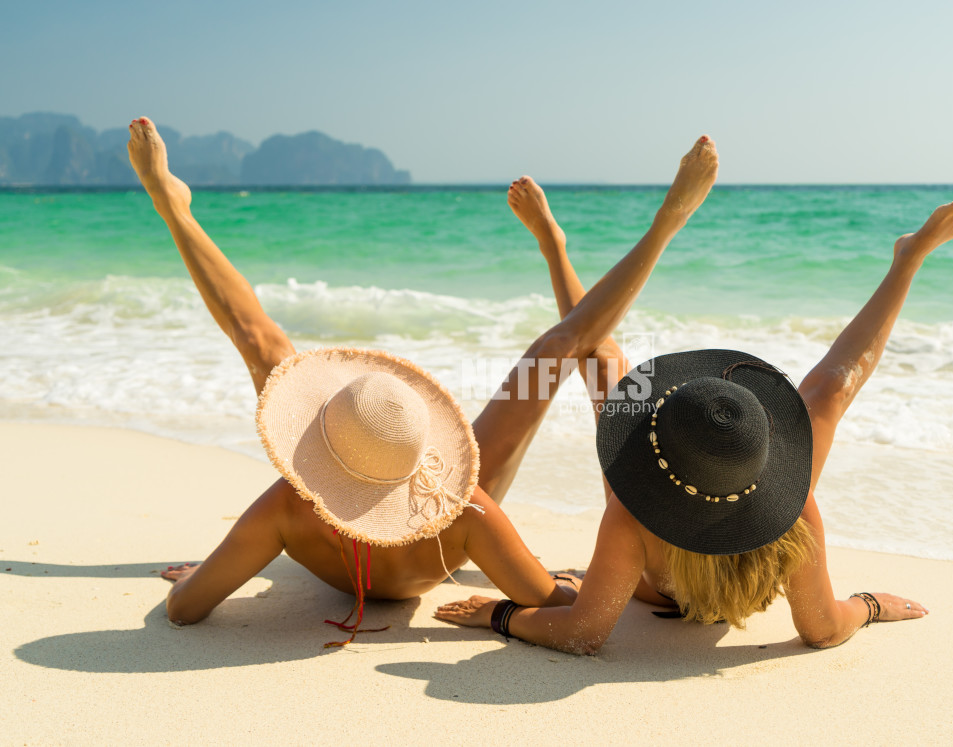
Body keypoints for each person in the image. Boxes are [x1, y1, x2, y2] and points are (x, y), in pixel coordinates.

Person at [125, 116, 720, 645]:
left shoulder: (286, 507)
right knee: (557, 352)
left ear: (315, 441)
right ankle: (651, 229)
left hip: (327, 524)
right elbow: (560, 601)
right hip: (438, 525)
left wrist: (214, 572)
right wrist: (533, 599)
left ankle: (172, 209)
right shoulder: (464, 507)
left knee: (262, 347)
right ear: (426, 448)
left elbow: (184, 608)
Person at [435, 177, 953, 653]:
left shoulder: (632, 514)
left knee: (601, 360)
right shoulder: (794, 508)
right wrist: (870, 605)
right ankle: (909, 260)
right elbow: (824, 628)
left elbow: (583, 632)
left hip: (650, 559)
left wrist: (500, 614)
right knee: (833, 389)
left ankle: (555, 248)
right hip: (728, 517)